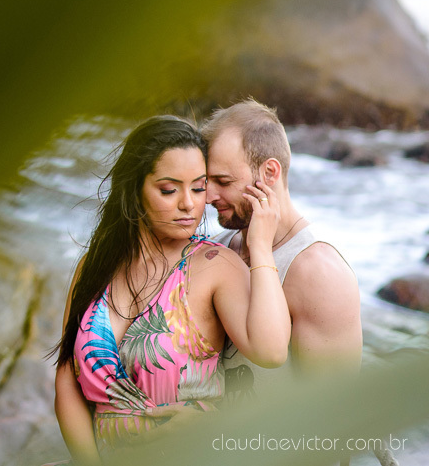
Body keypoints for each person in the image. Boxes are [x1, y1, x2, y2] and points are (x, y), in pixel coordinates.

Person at [52, 116, 291, 463]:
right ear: (135, 190)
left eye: (198, 188)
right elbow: (67, 384)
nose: (189, 204)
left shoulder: (214, 266)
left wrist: (262, 246)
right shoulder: (95, 266)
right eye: (169, 189)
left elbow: (271, 352)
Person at [201, 99, 362, 402]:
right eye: (207, 181)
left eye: (223, 181)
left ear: (270, 173)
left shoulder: (319, 274)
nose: (209, 195)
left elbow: (332, 417)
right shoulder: (221, 247)